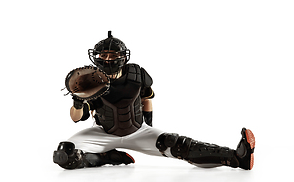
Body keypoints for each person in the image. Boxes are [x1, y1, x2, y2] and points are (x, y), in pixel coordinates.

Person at [53, 31, 255, 170]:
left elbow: (146, 98)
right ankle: (106, 157)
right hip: (103, 133)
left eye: (112, 54)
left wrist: (148, 127)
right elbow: (75, 118)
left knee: (177, 145)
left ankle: (237, 157)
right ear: (96, 57)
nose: (107, 59)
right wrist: (77, 102)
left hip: (137, 130)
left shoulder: (137, 74)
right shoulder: (89, 81)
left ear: (122, 57)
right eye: (103, 55)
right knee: (65, 155)